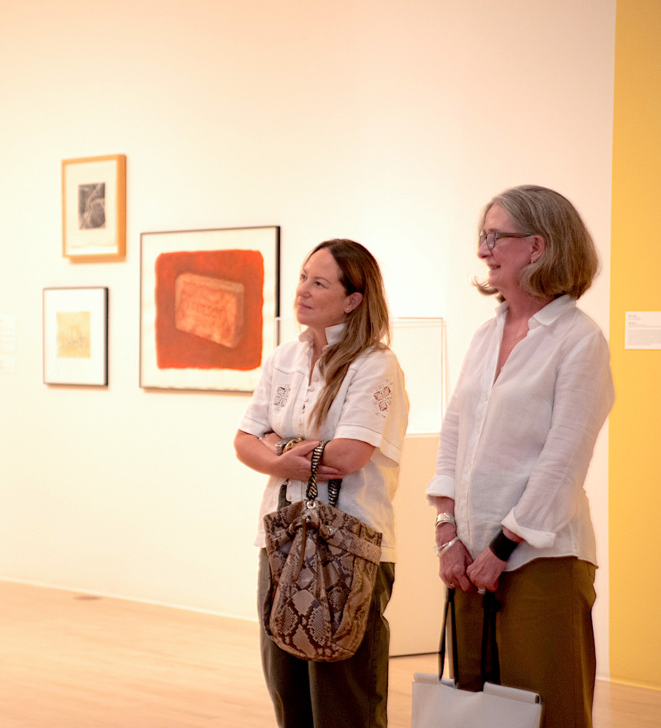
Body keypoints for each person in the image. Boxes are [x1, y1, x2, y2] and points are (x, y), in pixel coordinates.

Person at [427, 185, 613, 728]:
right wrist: (447, 532)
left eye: (495, 237)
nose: (483, 250)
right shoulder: (486, 335)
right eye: (481, 237)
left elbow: (563, 461)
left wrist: (503, 545)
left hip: (539, 559)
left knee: (546, 710)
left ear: (537, 246)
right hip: (468, 557)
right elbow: (453, 435)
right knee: (474, 708)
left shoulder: (580, 339)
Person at [234, 239, 409, 728]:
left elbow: (350, 455)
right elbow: (243, 441)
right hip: (281, 538)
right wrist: (301, 452)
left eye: (319, 282)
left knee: (344, 702)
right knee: (287, 693)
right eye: (303, 278)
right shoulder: (282, 358)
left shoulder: (375, 364)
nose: (303, 290)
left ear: (353, 299)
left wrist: (278, 445)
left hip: (350, 543)